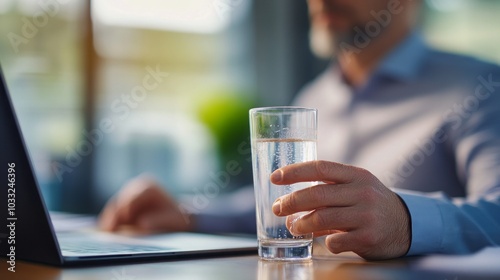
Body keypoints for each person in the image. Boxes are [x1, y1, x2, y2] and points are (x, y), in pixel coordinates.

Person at [99, 0, 500, 260]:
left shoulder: (480, 87)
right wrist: (188, 214)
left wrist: (407, 222)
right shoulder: (317, 95)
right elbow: (285, 201)